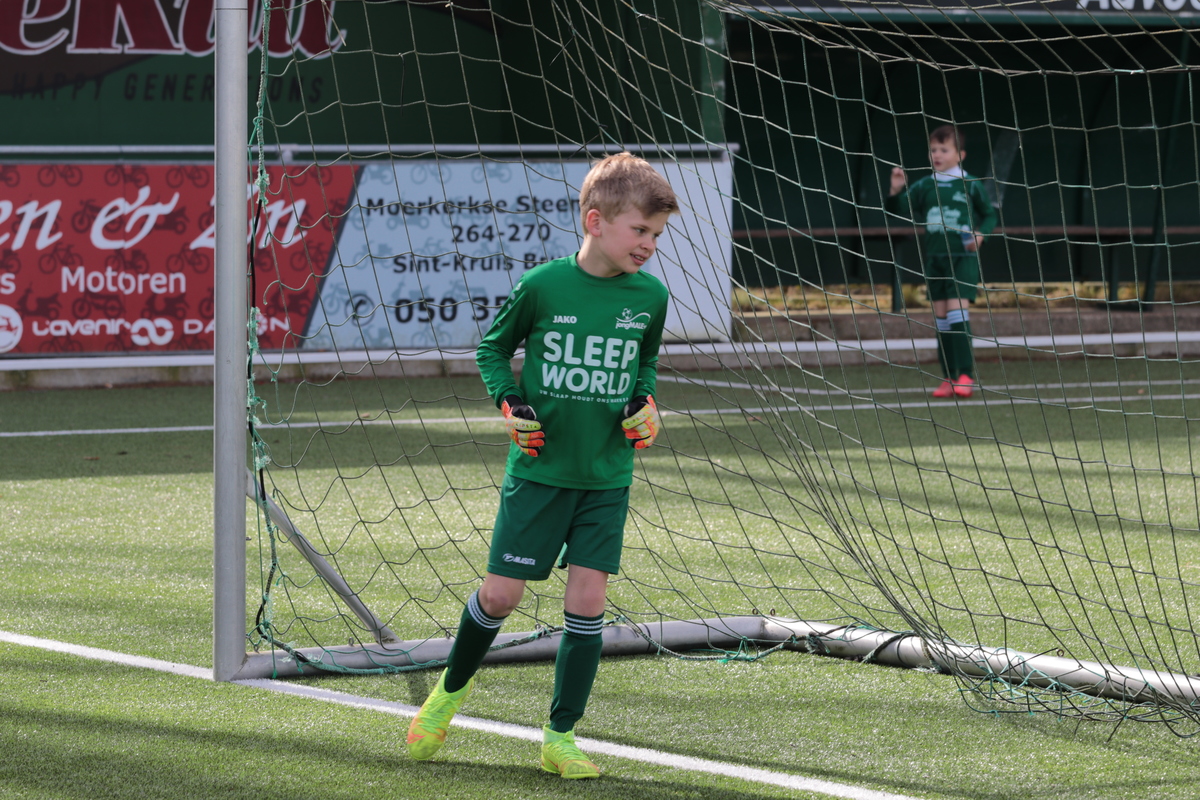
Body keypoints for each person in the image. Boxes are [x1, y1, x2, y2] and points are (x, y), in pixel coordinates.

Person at [406, 152, 679, 779]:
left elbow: (644, 365)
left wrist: (644, 403)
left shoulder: (650, 297)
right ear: (596, 221)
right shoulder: (543, 286)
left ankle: (560, 737)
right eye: (640, 230)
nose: (649, 245)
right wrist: (511, 402)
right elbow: (492, 348)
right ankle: (447, 693)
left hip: (606, 477)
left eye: (657, 235)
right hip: (539, 473)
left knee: (588, 602)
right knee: (501, 595)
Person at [887, 125, 997, 398]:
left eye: (944, 150)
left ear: (960, 155)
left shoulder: (970, 184)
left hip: (962, 260)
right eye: (933, 149)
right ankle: (949, 377)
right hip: (935, 261)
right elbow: (898, 210)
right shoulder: (925, 185)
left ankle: (965, 375)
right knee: (942, 321)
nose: (937, 154)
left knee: (957, 315)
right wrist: (896, 189)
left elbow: (989, 215)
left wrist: (980, 234)